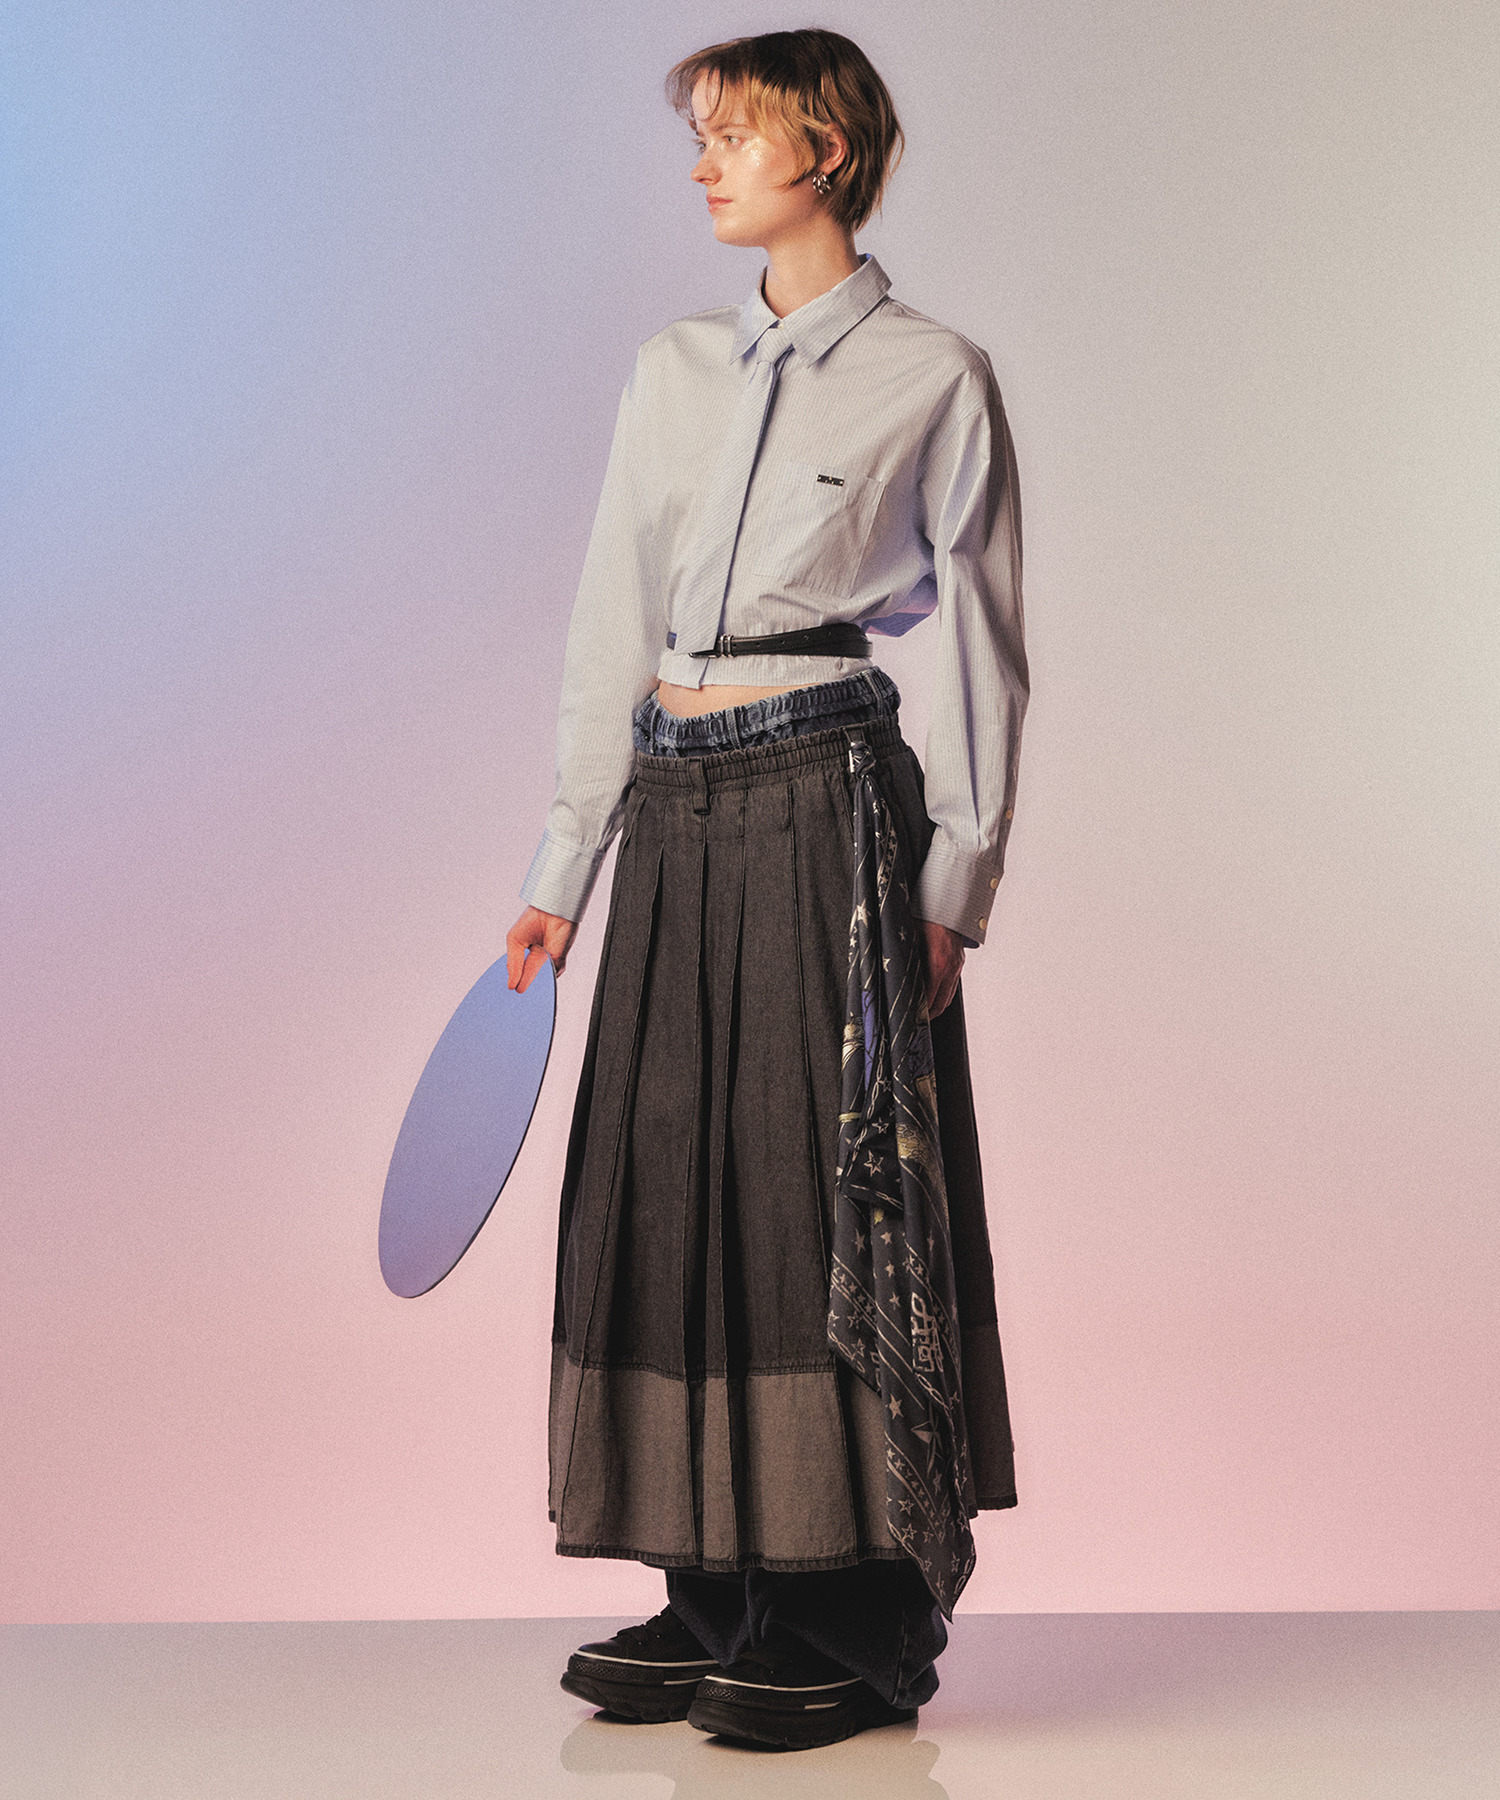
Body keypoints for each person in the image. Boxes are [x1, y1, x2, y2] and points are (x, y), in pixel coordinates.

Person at [506, 28, 1027, 1751]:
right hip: (674, 799)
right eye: (704, 135)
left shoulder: (935, 376)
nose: (705, 162)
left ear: (828, 146)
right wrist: (564, 864)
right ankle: (715, 1589)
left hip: (826, 804)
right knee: (671, 1177)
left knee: (821, 1192)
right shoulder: (671, 370)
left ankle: (853, 1613)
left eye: (735, 133)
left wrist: (955, 881)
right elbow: (612, 616)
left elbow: (983, 647)